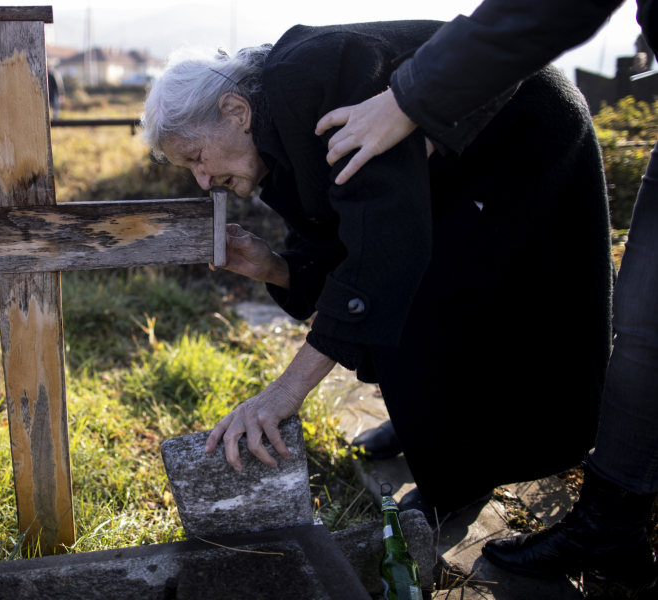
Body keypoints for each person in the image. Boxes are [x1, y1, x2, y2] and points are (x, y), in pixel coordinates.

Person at [141, 23, 614, 522]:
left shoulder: (307, 83)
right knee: (392, 293)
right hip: (446, 166)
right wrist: (274, 268)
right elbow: (337, 251)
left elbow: (382, 250)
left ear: (235, 111)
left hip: (512, 132)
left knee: (432, 290)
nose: (202, 180)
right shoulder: (273, 149)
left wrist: (283, 393)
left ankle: (462, 471)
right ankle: (423, 427)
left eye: (196, 157)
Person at [312, 0, 658, 590]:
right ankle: (607, 518)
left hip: (517, 124)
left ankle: (514, 475)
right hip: (468, 119)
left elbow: (538, 13)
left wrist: (408, 101)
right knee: (644, 323)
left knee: (632, 323)